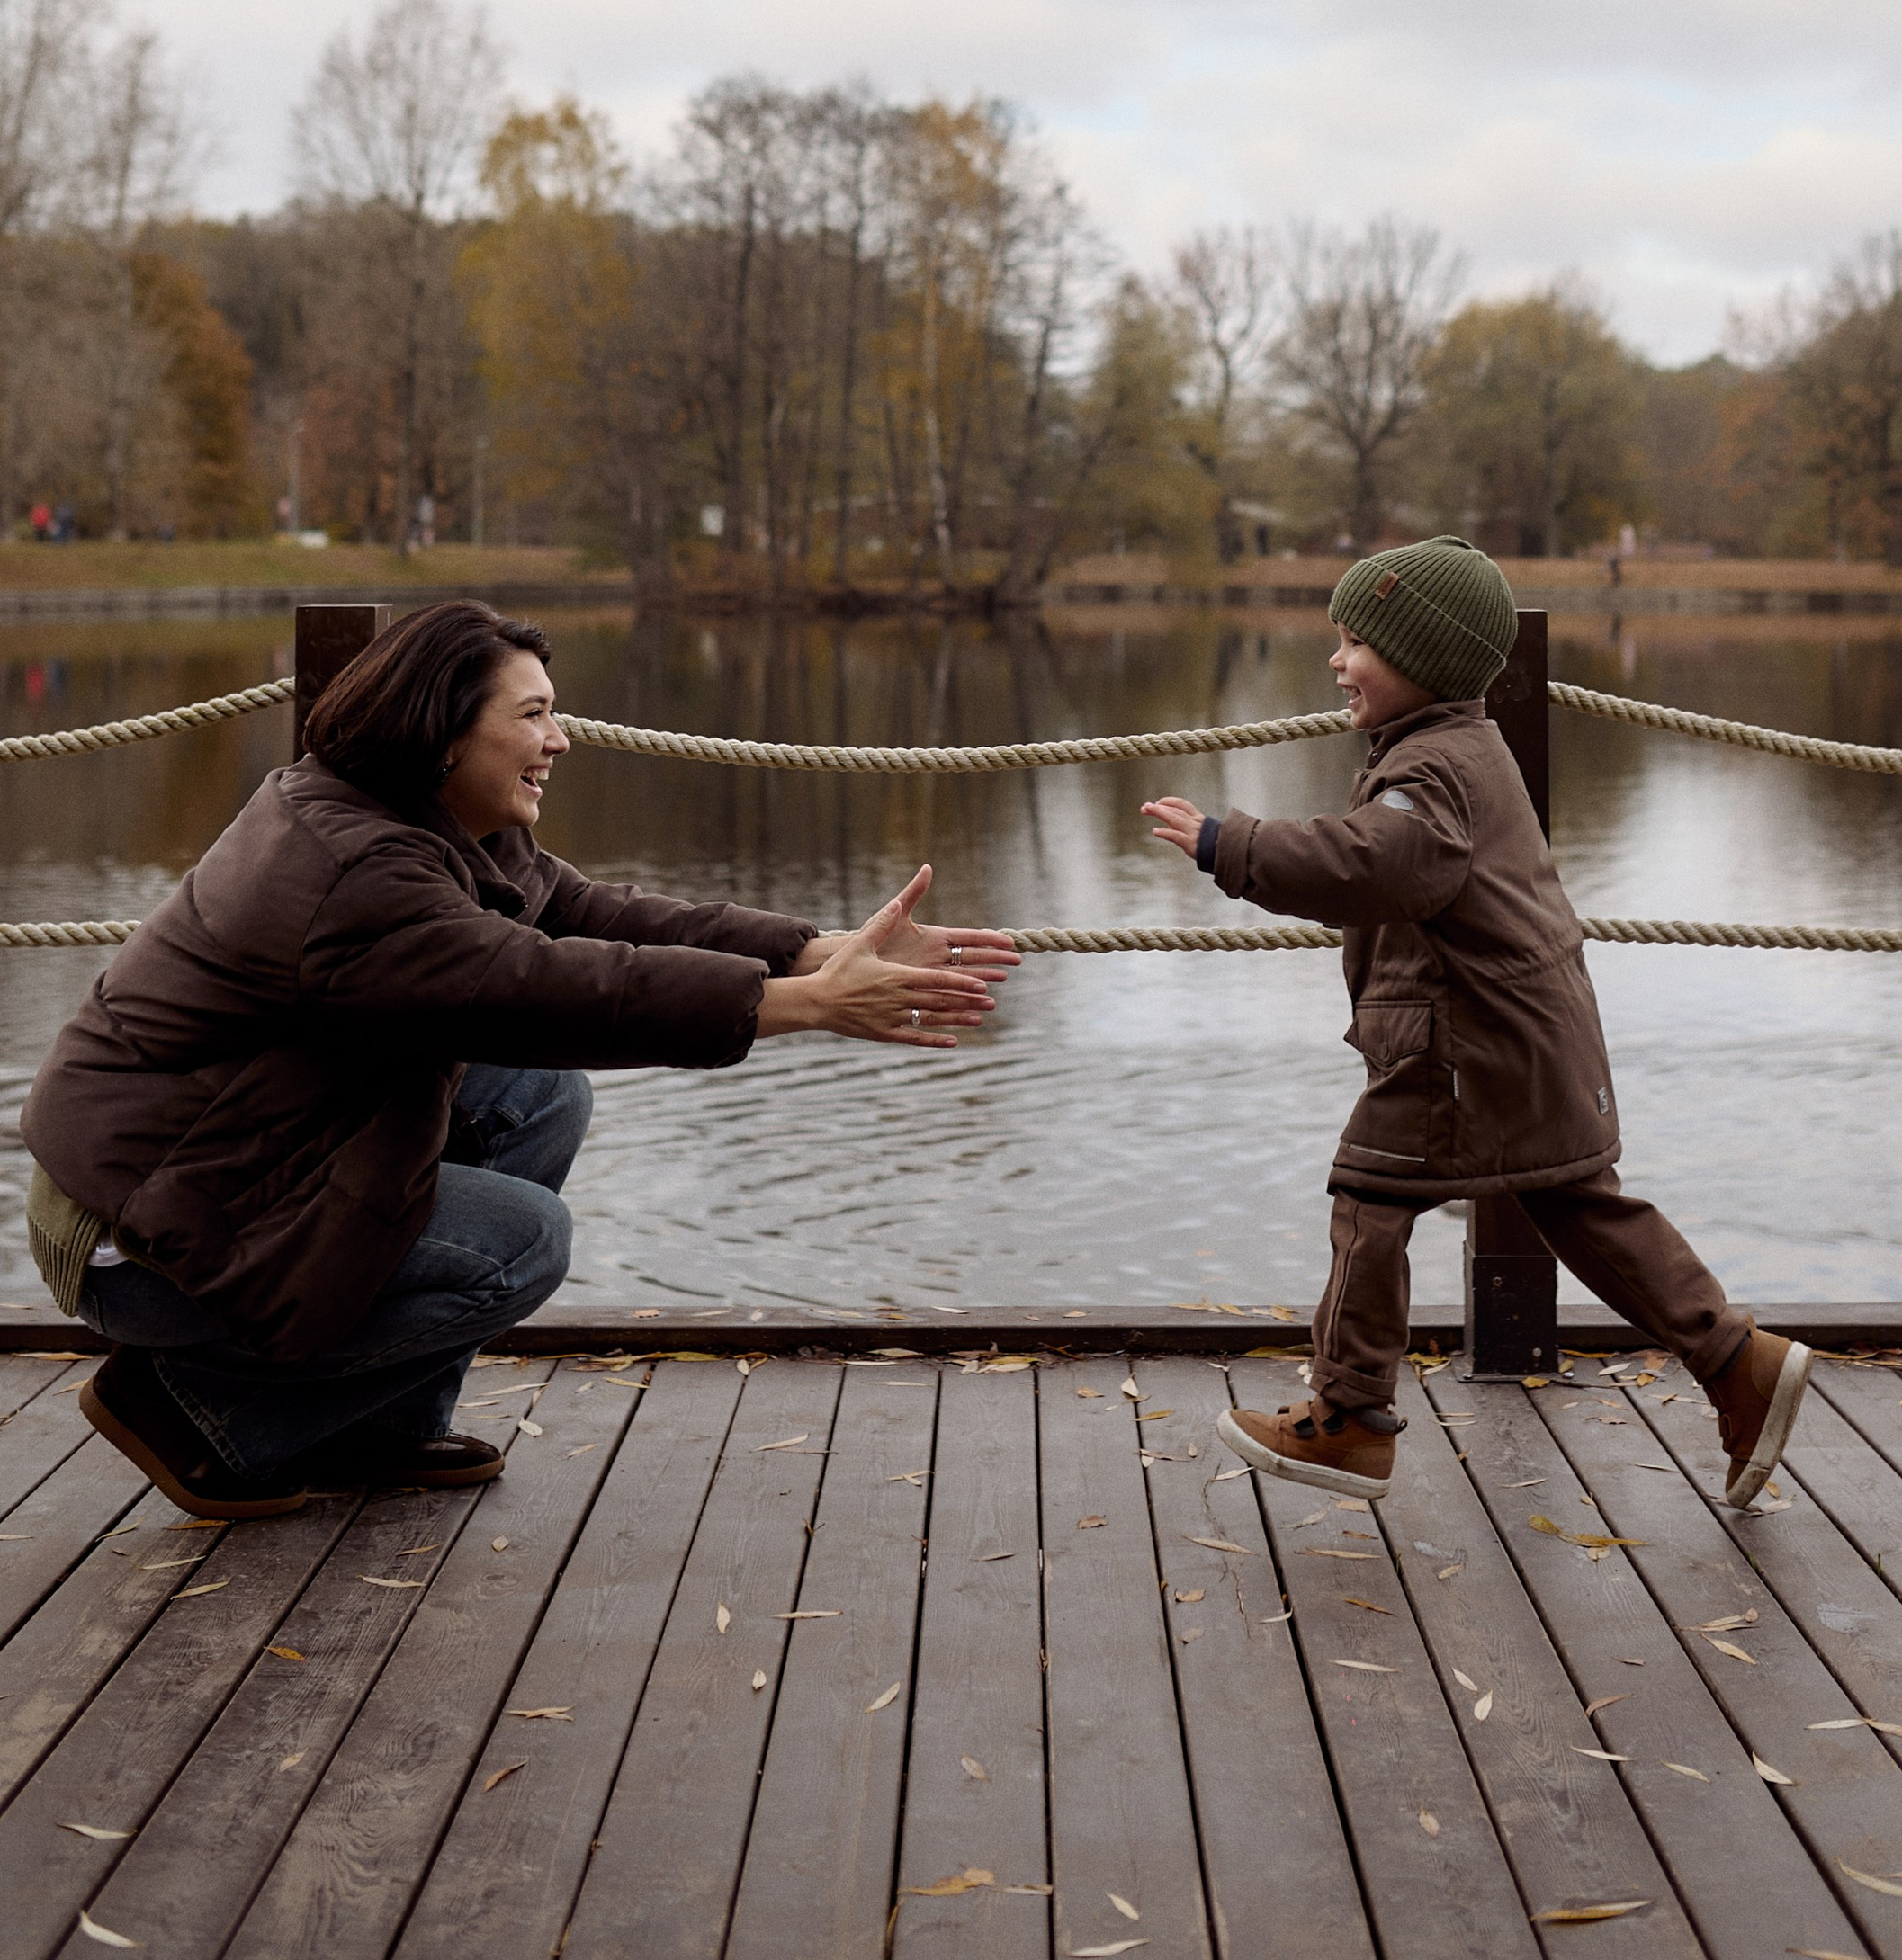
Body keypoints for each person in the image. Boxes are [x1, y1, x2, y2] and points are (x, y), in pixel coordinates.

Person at [22, 600, 1016, 1523]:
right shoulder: (355, 869)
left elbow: (593, 916)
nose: (560, 737)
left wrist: (818, 951)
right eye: (534, 713)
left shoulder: (419, 815)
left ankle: (378, 1424)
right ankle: (205, 1414)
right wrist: (803, 1007)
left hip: (228, 1163)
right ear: (444, 729)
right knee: (523, 1242)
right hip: (141, 1228)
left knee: (534, 1097)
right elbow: (554, 986)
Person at [1139, 534, 1809, 1508]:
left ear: (1425, 656)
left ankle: (1348, 1415)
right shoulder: (1450, 745)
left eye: (1356, 640)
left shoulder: (1431, 772)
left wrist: (1228, 841)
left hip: (1463, 1043)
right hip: (1523, 1030)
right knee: (1575, 1202)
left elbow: (1374, 861)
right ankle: (1733, 1359)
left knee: (1368, 1194)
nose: (1336, 660)